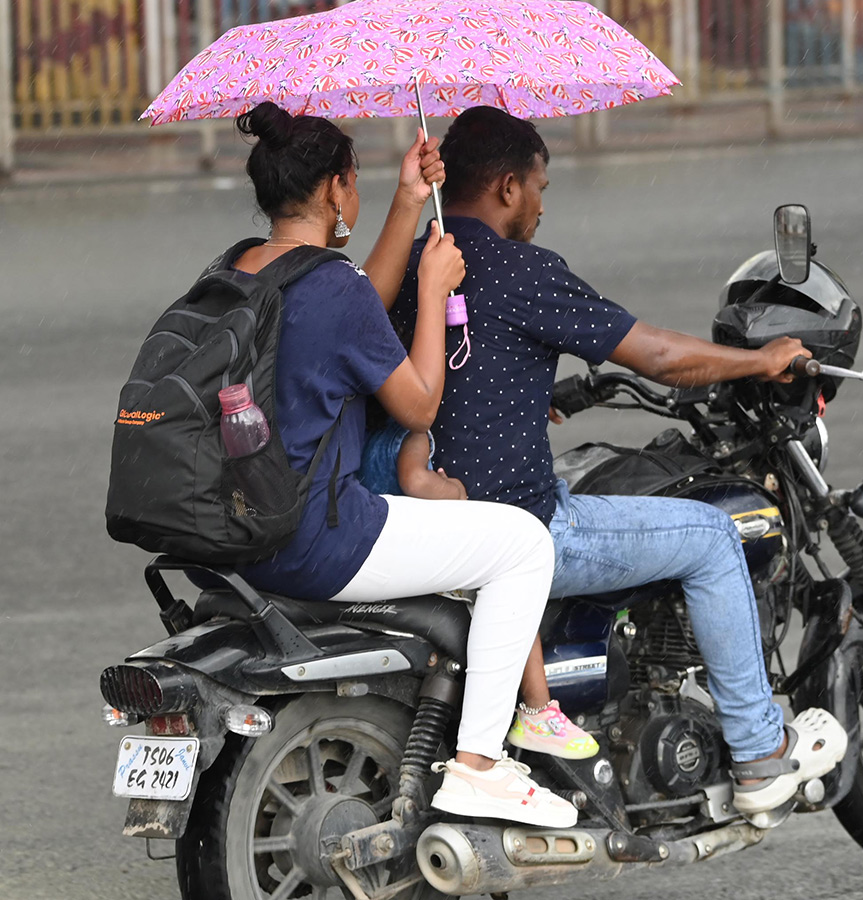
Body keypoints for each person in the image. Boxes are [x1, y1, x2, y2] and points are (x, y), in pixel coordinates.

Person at [386, 106, 847, 818]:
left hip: (420, 513)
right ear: (509, 187)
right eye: (541, 186)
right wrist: (763, 358)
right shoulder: (521, 270)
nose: (541, 205)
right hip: (522, 527)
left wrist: (531, 391)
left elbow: (447, 366)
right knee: (714, 536)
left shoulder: (416, 266)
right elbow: (659, 356)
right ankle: (759, 754)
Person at [228, 101, 576, 828]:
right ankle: (480, 764)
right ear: (335, 190)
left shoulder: (243, 268)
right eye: (354, 183)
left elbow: (355, 304)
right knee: (521, 544)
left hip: (250, 532)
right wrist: (432, 291)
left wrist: (408, 201)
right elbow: (418, 404)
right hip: (324, 538)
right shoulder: (333, 288)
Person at [360, 417, 601, 760]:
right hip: (417, 551)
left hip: (377, 549)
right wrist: (452, 491)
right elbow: (414, 480)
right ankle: (535, 709)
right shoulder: (414, 435)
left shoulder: (365, 434)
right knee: (513, 572)